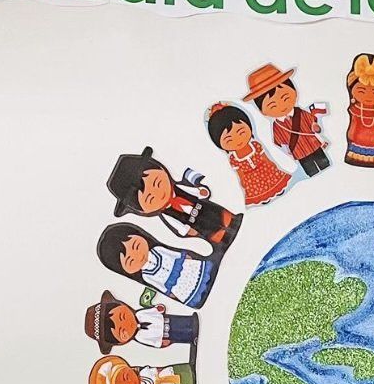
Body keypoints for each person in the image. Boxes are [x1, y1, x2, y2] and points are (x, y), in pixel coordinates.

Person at [105, 147, 240, 246]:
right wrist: (186, 230)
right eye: (150, 199)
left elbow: (194, 191)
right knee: (213, 233)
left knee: (223, 216)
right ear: (144, 209)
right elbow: (175, 224)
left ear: (162, 170)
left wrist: (201, 191)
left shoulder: (179, 188)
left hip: (206, 208)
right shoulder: (166, 214)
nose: (158, 193)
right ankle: (223, 239)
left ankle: (233, 220)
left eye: (157, 183)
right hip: (195, 223)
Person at [96, 224, 221, 309]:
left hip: (185, 267)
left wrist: (185, 257)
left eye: (136, 246)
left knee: (203, 275)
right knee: (192, 292)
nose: (138, 256)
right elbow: (158, 285)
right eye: (130, 260)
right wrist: (170, 293)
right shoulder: (146, 275)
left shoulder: (157, 250)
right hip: (175, 285)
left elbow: (173, 254)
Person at [244, 64, 330, 176]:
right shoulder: (277, 126)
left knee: (324, 164)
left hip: (313, 144)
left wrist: (314, 126)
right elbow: (279, 141)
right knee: (311, 170)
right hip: (299, 152)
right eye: (272, 106)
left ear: (294, 92)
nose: (281, 106)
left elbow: (311, 121)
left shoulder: (300, 112)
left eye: (286, 98)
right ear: (262, 111)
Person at [204, 104, 291, 207]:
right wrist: (243, 182)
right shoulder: (233, 158)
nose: (238, 140)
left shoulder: (255, 145)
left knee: (276, 185)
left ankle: (278, 191)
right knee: (259, 194)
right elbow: (239, 172)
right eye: (229, 140)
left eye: (241, 133)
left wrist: (272, 165)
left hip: (266, 170)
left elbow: (265, 158)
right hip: (251, 180)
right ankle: (264, 199)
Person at [344, 53, 374, 167]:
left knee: (373, 157)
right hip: (358, 139)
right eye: (361, 91)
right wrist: (351, 133)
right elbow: (354, 122)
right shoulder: (356, 109)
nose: (369, 95)